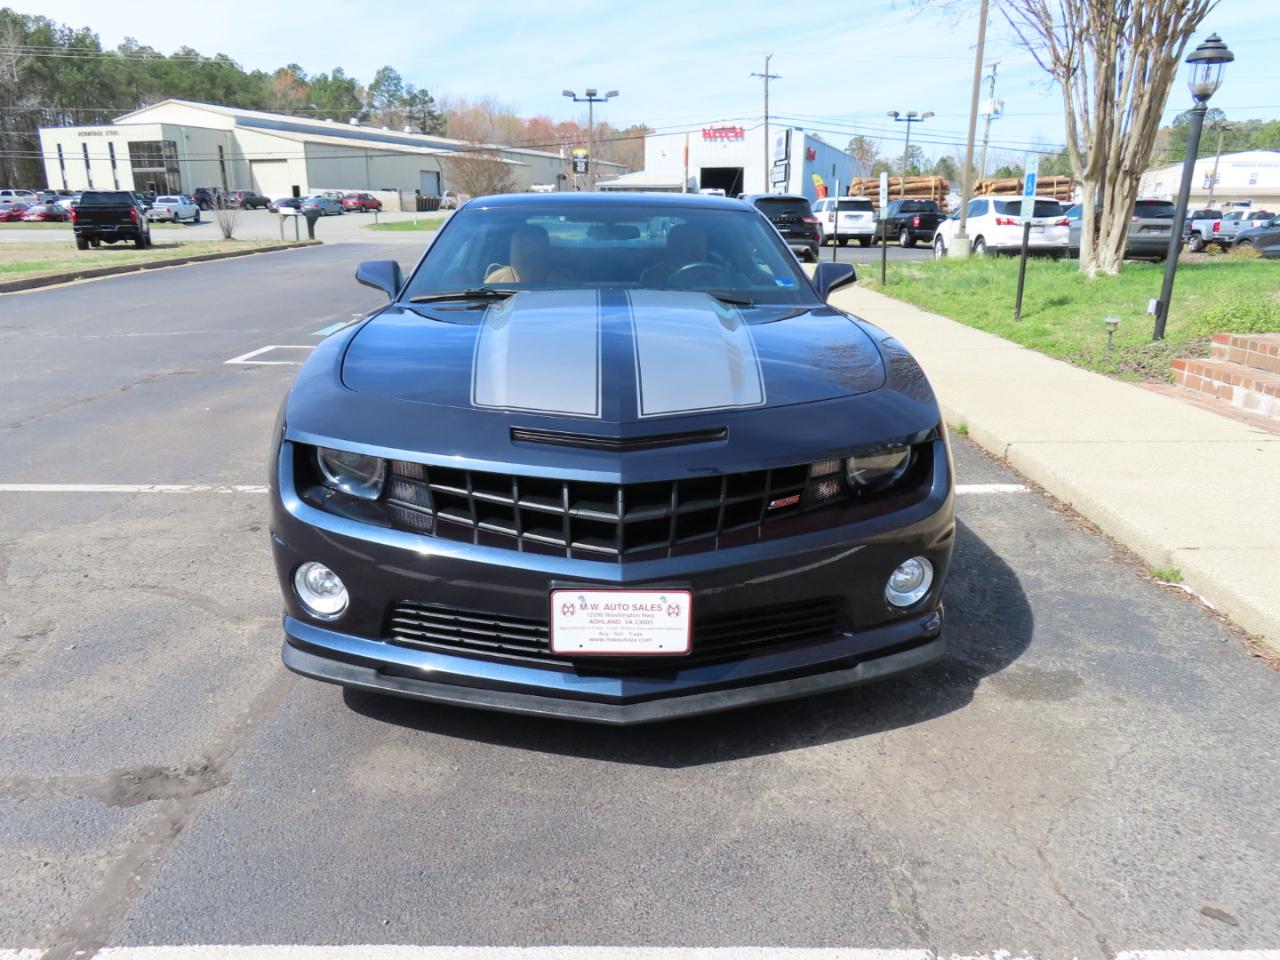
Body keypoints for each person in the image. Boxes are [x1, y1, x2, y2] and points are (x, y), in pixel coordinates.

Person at [484, 224, 573, 285]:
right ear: (512, 249)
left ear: (546, 249)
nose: (528, 252)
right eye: (522, 246)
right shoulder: (496, 280)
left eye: (534, 245)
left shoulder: (564, 281)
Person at [639, 223, 710, 285]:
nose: (698, 251)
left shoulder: (714, 275)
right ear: (675, 247)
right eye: (693, 246)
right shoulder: (653, 275)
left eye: (700, 246)